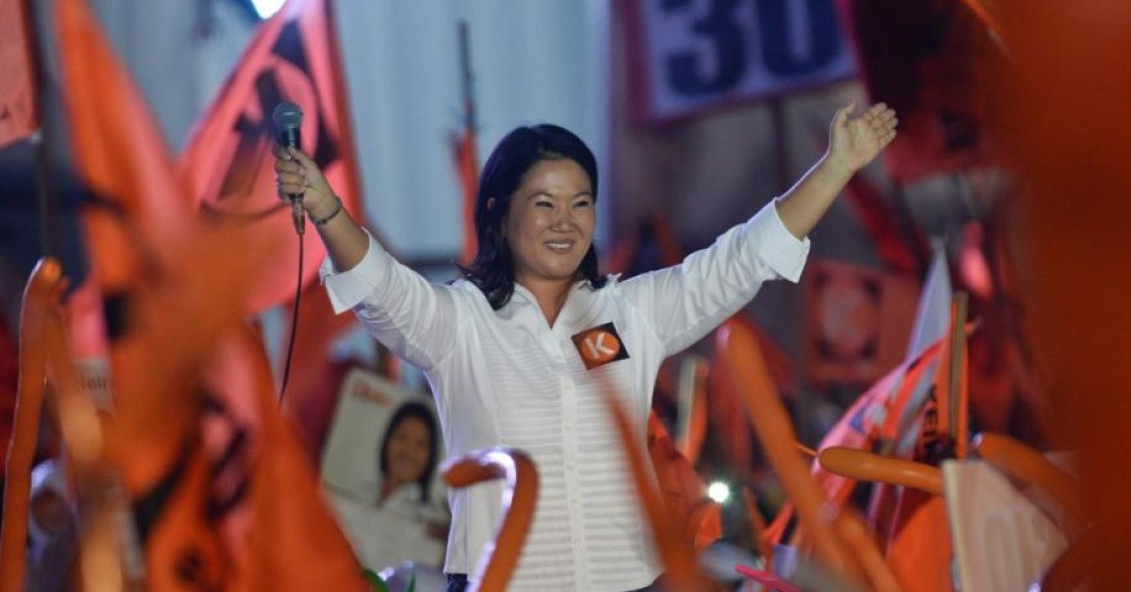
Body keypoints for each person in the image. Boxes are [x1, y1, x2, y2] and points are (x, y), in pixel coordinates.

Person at [275, 102, 898, 591]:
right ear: (498, 213)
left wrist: (837, 164)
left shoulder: (632, 312)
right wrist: (328, 208)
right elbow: (382, 287)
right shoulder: (459, 323)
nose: (564, 222)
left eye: (580, 204)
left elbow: (743, 259)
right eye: (543, 204)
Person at [329, 399, 448, 572]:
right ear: (388, 440)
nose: (408, 451)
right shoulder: (357, 492)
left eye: (420, 444)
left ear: (430, 456)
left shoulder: (432, 522)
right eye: (402, 437)